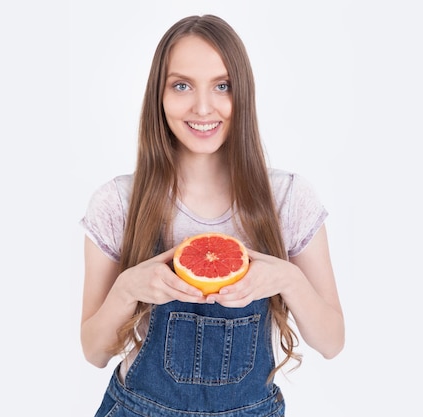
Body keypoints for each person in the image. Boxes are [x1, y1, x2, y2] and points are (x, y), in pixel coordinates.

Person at [79, 14, 345, 417]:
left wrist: (287, 278)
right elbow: (94, 352)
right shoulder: (118, 202)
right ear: (159, 96)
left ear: (244, 94)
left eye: (223, 86)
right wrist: (127, 289)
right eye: (181, 85)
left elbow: (332, 341)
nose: (203, 107)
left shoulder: (287, 198)